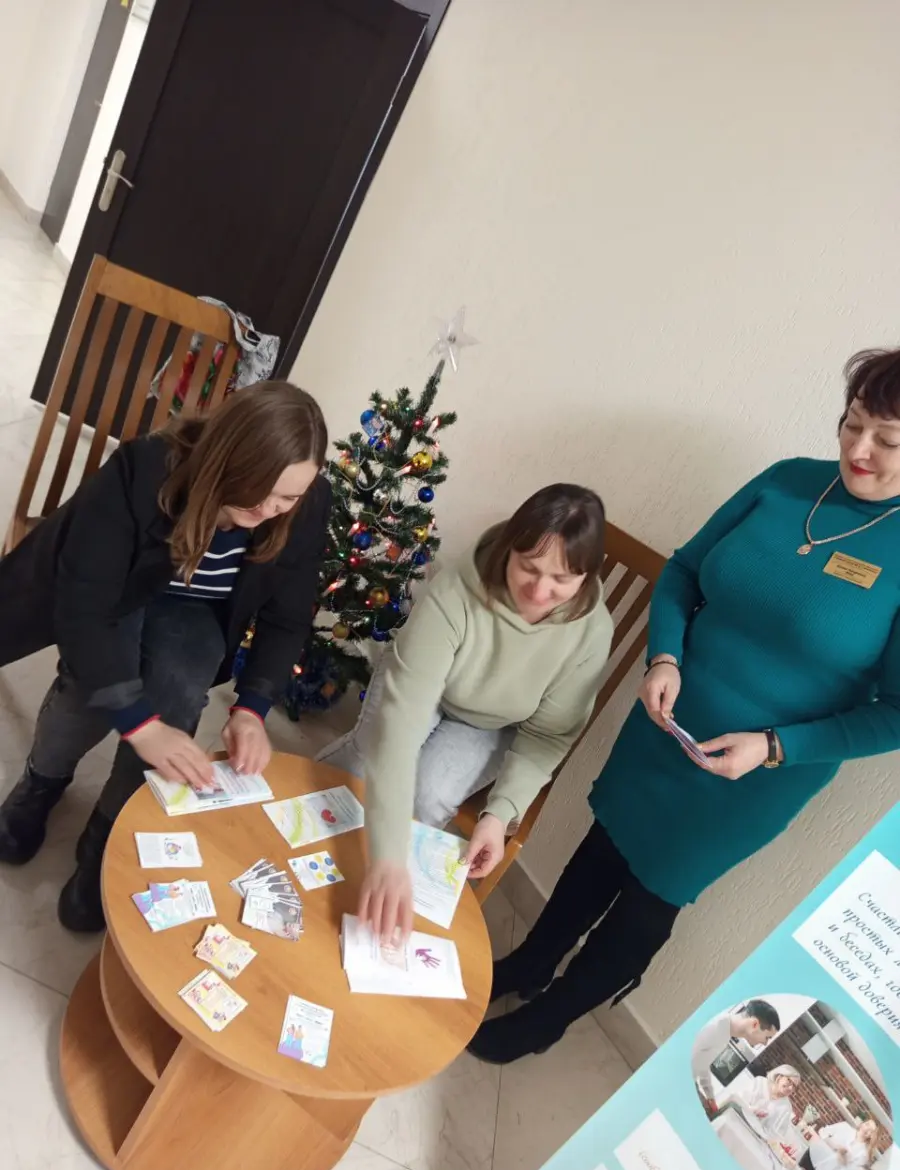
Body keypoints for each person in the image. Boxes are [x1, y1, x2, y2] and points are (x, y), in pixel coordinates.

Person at [471, 347, 900, 1064]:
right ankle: (530, 963)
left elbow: (895, 713)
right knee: (606, 841)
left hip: (753, 775)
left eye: (888, 440)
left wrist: (775, 746)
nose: (859, 450)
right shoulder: (787, 482)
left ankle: (548, 1019)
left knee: (653, 892)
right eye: (853, 424)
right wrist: (663, 656)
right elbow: (684, 570)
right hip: (664, 720)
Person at [0, 381, 330, 932]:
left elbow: (288, 615)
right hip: (118, 590)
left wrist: (252, 707)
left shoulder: (306, 501)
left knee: (177, 692)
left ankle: (107, 834)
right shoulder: (142, 469)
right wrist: (138, 725)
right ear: (225, 458)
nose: (269, 509)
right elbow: (87, 608)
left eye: (287, 498)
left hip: (196, 608)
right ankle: (41, 783)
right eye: (259, 489)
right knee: (91, 689)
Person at [319, 484, 612, 940]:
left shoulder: (591, 634)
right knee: (365, 759)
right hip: (425, 687)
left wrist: (500, 814)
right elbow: (401, 728)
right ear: (509, 549)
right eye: (528, 567)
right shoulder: (457, 589)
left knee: (429, 796)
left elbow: (547, 735)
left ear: (588, 576)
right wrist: (388, 859)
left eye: (561, 579)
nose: (539, 591)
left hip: (492, 723)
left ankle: (370, 900)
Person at [691, 999, 782, 1113]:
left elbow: (702, 1065)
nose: (765, 1043)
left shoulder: (724, 1033)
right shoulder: (716, 1026)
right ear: (755, 1024)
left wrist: (710, 1096)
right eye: (767, 1037)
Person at [800, 1120, 879, 1170]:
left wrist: (843, 1158)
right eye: (867, 1124)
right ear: (862, 1124)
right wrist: (834, 1145)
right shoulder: (845, 1127)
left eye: (871, 1130)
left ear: (872, 1136)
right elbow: (823, 1132)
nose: (867, 1129)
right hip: (812, 1155)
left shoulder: (863, 1154)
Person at [741, 1064, 801, 1141]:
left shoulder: (787, 1108)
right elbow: (740, 1099)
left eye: (794, 1086)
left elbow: (778, 1135)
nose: (790, 1088)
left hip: (756, 1138)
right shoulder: (759, 1082)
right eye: (789, 1080)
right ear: (779, 1077)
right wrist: (752, 1110)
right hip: (739, 1118)